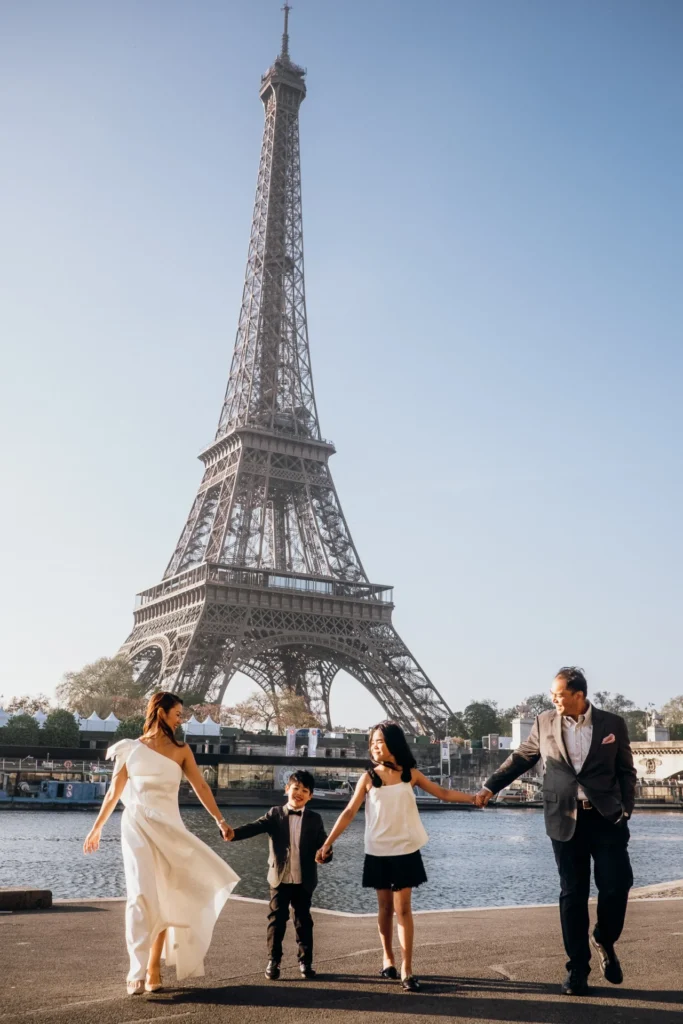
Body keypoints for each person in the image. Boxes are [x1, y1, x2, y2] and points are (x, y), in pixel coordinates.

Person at [476, 667, 636, 997]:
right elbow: (522, 757)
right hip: (563, 817)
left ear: (579, 695)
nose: (554, 699)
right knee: (572, 894)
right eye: (552, 695)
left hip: (606, 817)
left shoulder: (612, 724)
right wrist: (491, 787)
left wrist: (627, 809)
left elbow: (626, 770)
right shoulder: (544, 722)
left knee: (617, 884)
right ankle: (577, 968)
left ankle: (604, 937)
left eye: (559, 694)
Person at [83, 692, 239, 995]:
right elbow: (114, 793)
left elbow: (201, 786)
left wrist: (220, 820)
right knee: (141, 895)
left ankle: (154, 965)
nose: (181, 719)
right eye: (178, 713)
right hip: (137, 825)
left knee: (166, 895)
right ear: (161, 712)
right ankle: (136, 970)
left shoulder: (182, 750)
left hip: (170, 827)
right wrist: (96, 828)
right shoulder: (130, 749)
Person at [317, 720, 475, 992]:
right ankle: (387, 957)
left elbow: (444, 793)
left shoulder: (410, 774)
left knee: (403, 909)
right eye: (372, 743)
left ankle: (407, 968)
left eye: (380, 741)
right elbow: (349, 812)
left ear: (394, 744)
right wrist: (327, 843)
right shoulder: (368, 778)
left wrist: (474, 798)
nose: (375, 747)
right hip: (378, 850)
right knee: (385, 908)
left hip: (405, 849)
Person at [228, 769, 330, 980]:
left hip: (304, 879)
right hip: (279, 878)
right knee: (276, 921)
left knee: (303, 922)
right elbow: (254, 827)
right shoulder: (275, 814)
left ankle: (305, 962)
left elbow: (324, 846)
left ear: (310, 796)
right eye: (295, 788)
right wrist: (233, 834)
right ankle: (273, 961)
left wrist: (325, 855)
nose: (299, 793)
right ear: (287, 789)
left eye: (305, 790)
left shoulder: (315, 819)